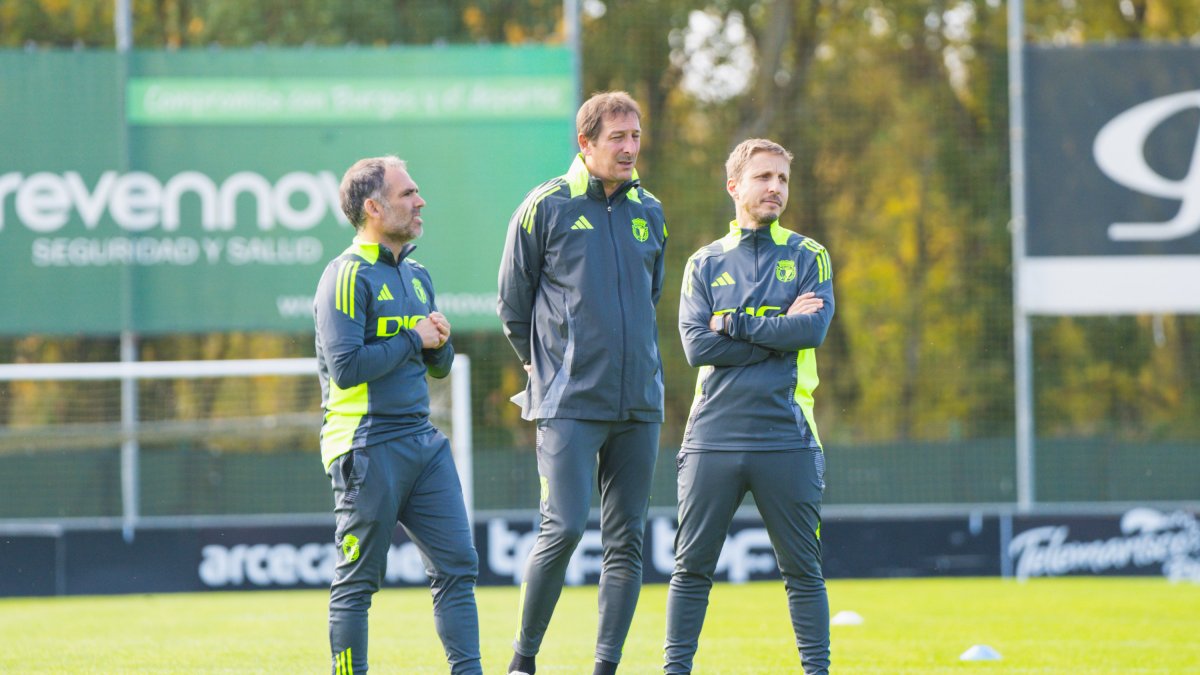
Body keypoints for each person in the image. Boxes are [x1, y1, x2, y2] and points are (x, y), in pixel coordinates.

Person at [497, 91, 668, 675]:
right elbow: (512, 304)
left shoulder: (651, 210)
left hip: (640, 402)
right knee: (564, 527)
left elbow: (649, 299)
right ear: (586, 143)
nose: (629, 148)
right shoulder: (544, 206)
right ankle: (524, 660)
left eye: (635, 136)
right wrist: (540, 364)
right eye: (617, 137)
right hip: (568, 401)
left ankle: (605, 667)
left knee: (627, 543)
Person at [664, 138, 834, 674]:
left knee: (803, 571)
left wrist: (735, 322)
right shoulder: (704, 262)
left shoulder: (809, 256)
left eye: (782, 179)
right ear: (734, 185)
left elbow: (813, 328)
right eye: (764, 177)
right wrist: (779, 329)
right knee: (690, 570)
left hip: (786, 435)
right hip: (711, 438)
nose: (775, 188)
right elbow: (697, 347)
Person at [314, 156, 481, 675]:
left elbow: (437, 368)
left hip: (421, 442)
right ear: (373, 206)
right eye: (408, 193)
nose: (419, 201)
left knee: (459, 568)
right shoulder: (345, 274)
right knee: (358, 583)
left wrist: (438, 345)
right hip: (366, 446)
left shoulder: (418, 273)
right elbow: (345, 368)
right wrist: (414, 338)